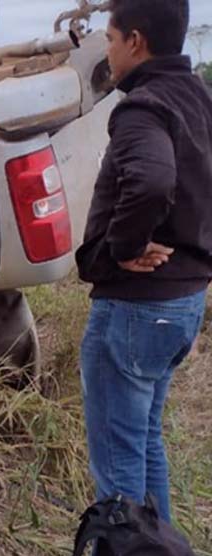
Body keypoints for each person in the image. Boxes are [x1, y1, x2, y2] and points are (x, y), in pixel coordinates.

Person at [76, 0, 212, 524]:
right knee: (145, 442)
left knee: (118, 466)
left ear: (135, 40)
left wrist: (121, 247)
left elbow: (152, 180)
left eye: (109, 40)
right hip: (183, 301)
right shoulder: (198, 97)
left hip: (136, 308)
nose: (106, 53)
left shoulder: (143, 107)